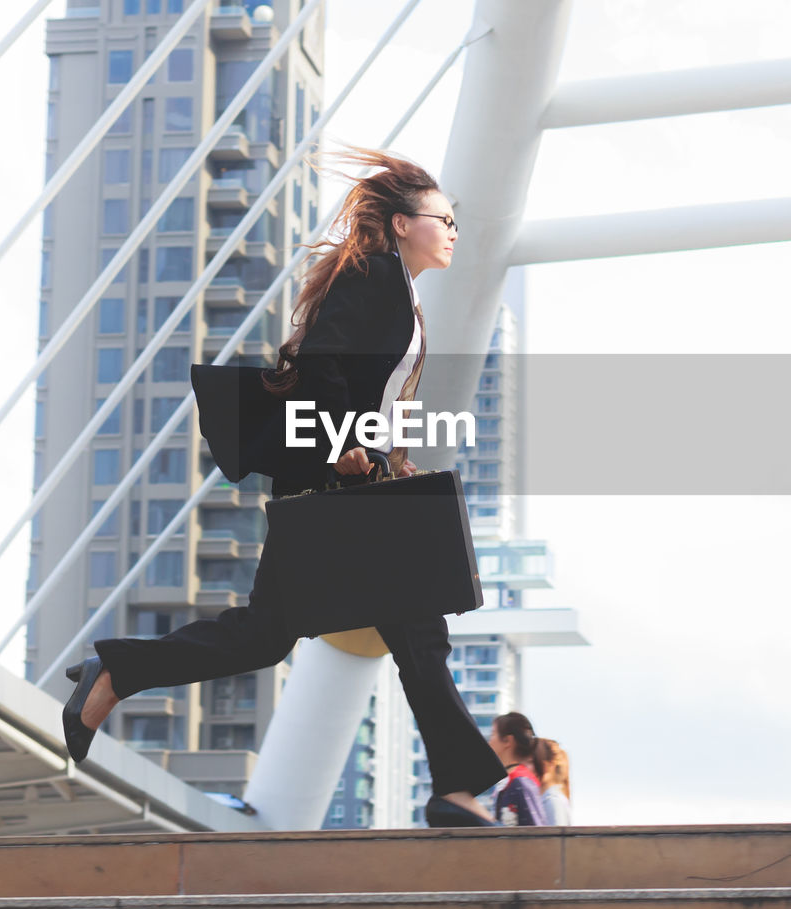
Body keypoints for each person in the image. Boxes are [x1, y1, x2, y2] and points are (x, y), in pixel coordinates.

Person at [61, 146, 506, 828]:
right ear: (398, 224)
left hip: (355, 490)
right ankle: (454, 788)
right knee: (381, 634)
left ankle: (454, 789)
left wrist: (390, 453)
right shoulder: (376, 278)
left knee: (321, 635)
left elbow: (363, 385)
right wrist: (345, 445)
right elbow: (323, 362)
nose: (451, 230)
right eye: (441, 218)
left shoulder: (400, 294)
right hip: (338, 494)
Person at [488, 712, 548, 827]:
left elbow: (536, 831)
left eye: (493, 735)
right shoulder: (512, 780)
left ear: (507, 741)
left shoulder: (521, 781)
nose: (489, 742)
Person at [534, 737, 572, 826]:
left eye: (531, 762)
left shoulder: (553, 802)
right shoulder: (547, 799)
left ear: (546, 766)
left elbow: (556, 839)